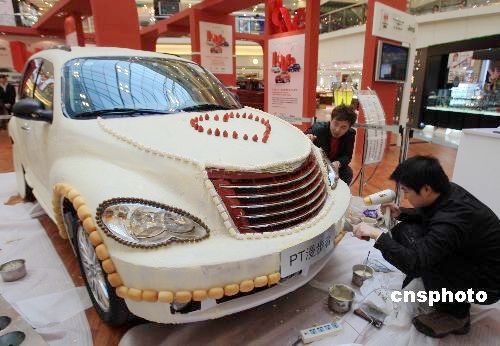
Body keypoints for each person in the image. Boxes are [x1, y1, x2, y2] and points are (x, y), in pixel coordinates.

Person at [353, 156, 500, 338]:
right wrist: (402, 213)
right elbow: (430, 214)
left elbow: (415, 264)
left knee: (422, 257)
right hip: (475, 261)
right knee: (405, 231)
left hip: (488, 285)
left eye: (407, 191)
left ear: (426, 189)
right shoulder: (448, 191)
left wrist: (377, 236)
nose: (405, 196)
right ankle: (446, 291)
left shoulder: (451, 221)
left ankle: (456, 315)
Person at [305, 104, 357, 185]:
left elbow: (347, 156)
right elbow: (303, 137)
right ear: (331, 120)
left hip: (334, 164)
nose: (337, 130)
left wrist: (338, 163)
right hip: (317, 164)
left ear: (349, 127)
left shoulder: (350, 134)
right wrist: (307, 138)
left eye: (343, 127)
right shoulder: (318, 129)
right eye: (335, 124)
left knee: (347, 173)